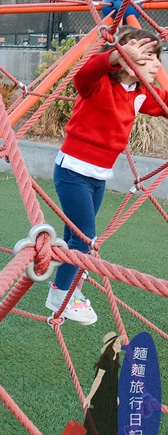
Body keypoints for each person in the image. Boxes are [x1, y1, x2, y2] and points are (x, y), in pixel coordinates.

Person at [45, 27, 168, 324]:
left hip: (98, 176)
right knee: (85, 239)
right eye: (149, 57)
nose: (157, 65)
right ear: (127, 61)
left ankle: (70, 277)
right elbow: (84, 74)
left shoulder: (140, 94)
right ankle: (60, 295)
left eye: (158, 57)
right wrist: (114, 57)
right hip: (73, 171)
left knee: (75, 236)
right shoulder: (97, 85)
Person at [83, 332, 123, 435]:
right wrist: (89, 397)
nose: (120, 345)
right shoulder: (106, 360)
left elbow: (113, 380)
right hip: (101, 395)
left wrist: (116, 396)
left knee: (107, 419)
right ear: (111, 345)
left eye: (119, 342)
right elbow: (98, 378)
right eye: (117, 343)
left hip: (110, 395)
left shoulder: (114, 359)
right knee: (99, 419)